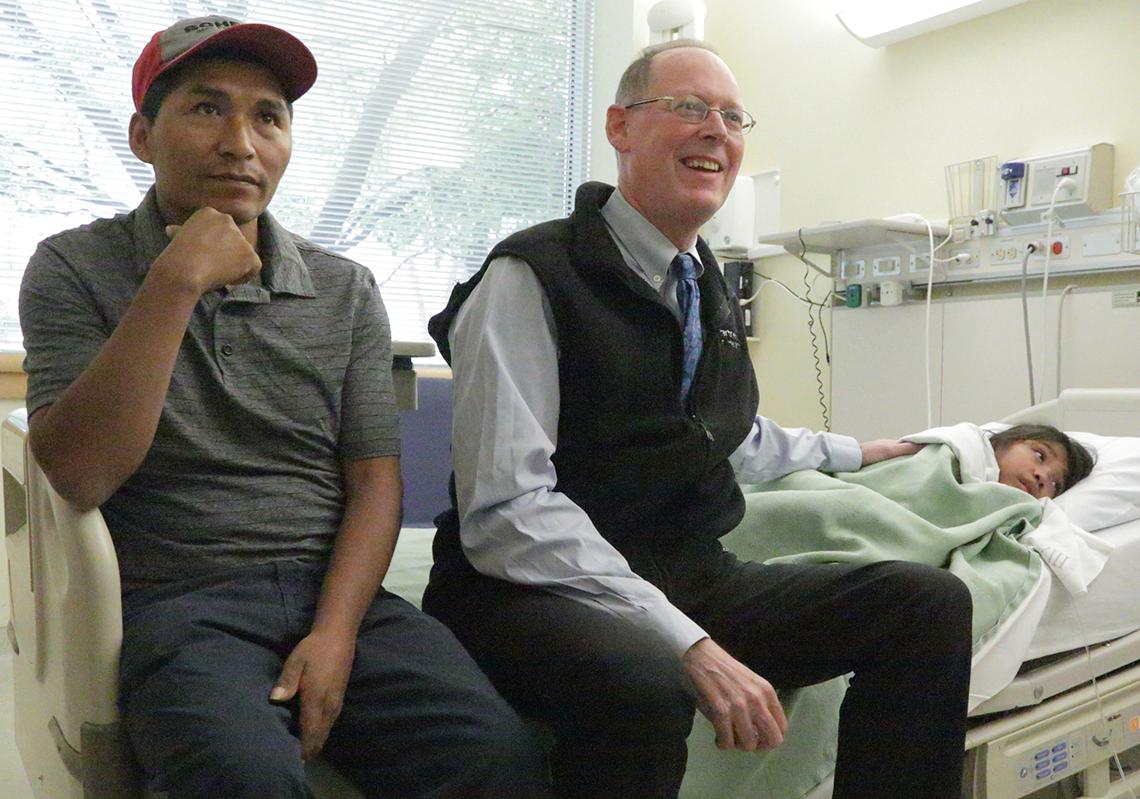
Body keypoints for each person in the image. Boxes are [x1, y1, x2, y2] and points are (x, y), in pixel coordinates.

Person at [422, 39, 975, 799]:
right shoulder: (532, 277)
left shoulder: (699, 278)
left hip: (687, 570)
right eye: (687, 107)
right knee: (647, 687)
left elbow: (724, 433)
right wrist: (690, 644)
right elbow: (507, 510)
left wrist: (857, 451)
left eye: (732, 116)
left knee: (927, 604)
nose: (716, 129)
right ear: (620, 128)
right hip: (525, 589)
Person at [19, 16, 547, 799]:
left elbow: (374, 482)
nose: (242, 141)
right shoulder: (73, 266)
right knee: (242, 777)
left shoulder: (344, 287)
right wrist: (173, 282)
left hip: (334, 594)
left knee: (496, 754)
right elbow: (78, 473)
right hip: (179, 602)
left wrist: (334, 634)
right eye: (206, 109)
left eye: (268, 115)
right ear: (141, 134)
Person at [990, 424, 1095, 499]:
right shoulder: (975, 449)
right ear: (1007, 440)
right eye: (1040, 456)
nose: (1043, 476)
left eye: (1055, 484)